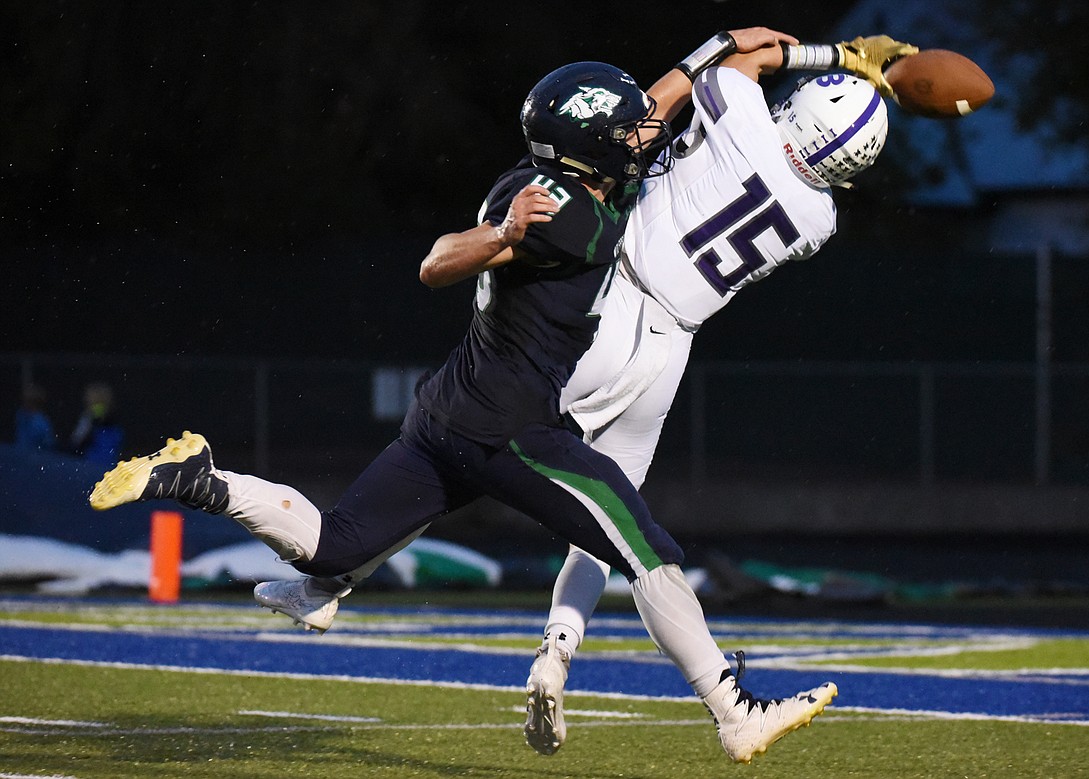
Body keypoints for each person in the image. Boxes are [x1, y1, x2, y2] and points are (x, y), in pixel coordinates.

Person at [89, 28, 840, 764]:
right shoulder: (566, 214)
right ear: (593, 147)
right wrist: (500, 234)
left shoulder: (540, 175)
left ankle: (204, 480)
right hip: (512, 431)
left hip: (445, 410)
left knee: (333, 543)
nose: (641, 129)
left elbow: (651, 112)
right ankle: (734, 712)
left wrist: (715, 47)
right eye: (624, 128)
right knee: (647, 550)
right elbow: (438, 262)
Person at [525, 35, 915, 754]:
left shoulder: (744, 119)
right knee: (619, 531)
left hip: (608, 304)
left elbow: (735, 61)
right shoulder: (819, 221)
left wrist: (832, 57)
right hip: (669, 346)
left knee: (471, 434)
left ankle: (337, 569)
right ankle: (560, 648)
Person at [68, 382, 125, 466]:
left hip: (105, 466)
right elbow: (75, 443)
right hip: (87, 465)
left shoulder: (114, 425)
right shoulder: (87, 419)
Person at [13, 383, 56, 452]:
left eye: (27, 401)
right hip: (19, 456)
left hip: (35, 459)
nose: (24, 403)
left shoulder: (42, 423)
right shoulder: (21, 415)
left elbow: (49, 446)